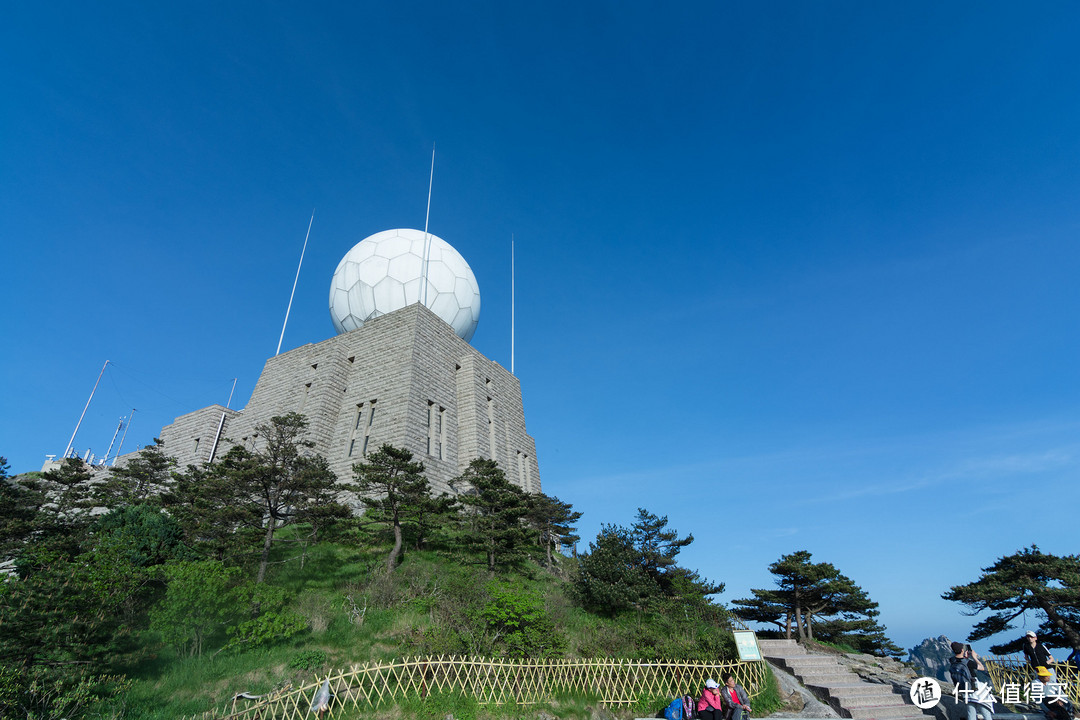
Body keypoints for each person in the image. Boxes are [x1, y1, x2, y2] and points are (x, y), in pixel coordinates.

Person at [949, 641, 993, 720]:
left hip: (965, 691)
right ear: (962, 650)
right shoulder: (968, 662)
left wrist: (964, 657)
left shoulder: (952, 661)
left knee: (971, 714)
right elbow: (981, 668)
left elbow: (959, 660)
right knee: (986, 713)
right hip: (976, 691)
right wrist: (974, 657)